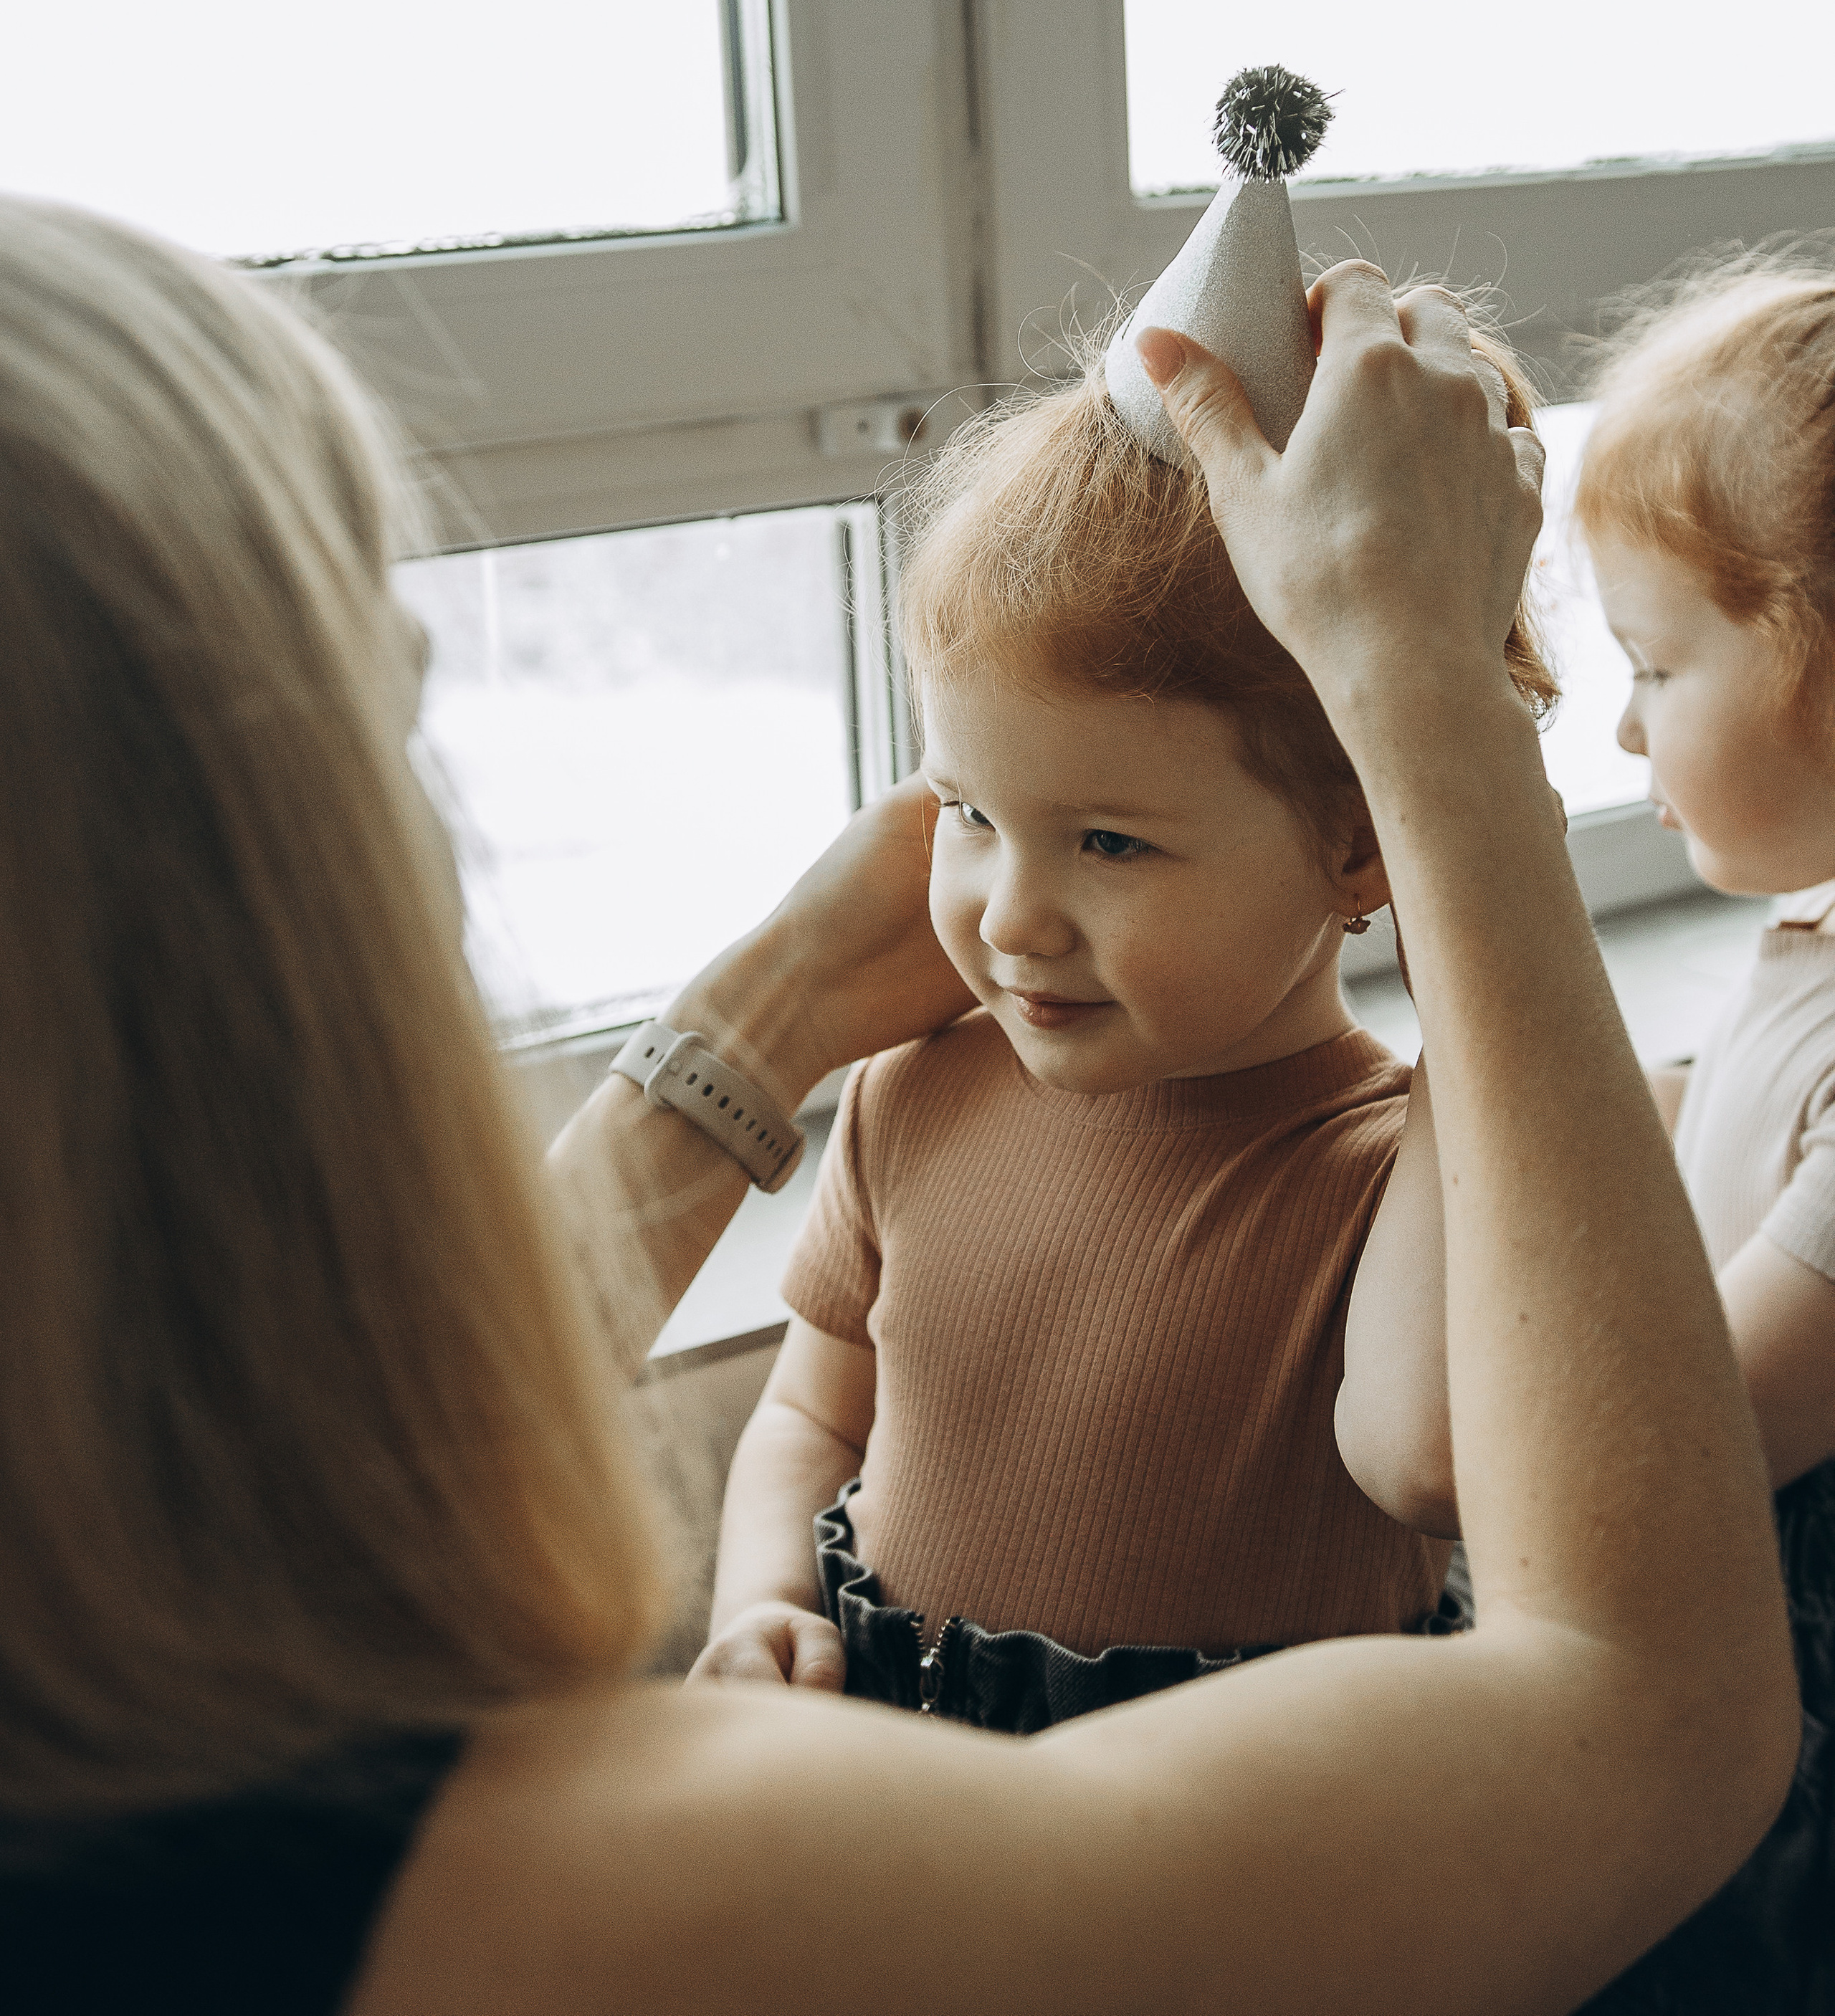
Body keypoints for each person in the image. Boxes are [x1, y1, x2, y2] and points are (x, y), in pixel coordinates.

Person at [0, 198, 1799, 2016]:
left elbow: (1415, 1449)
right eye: (393, 725)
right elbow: (1641, 1714)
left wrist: (765, 1006)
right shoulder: (545, 1876)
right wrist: (1427, 710)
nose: (1008, 906)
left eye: (1104, 837)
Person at [692, 326, 1551, 1724]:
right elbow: (811, 1419)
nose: (1009, 916)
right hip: (897, 1777)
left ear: (1357, 849)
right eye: (967, 813)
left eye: (1105, 842)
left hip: (1229, 1856)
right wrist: (762, 1599)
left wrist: (1449, 799)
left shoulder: (1401, 1174)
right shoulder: (913, 1090)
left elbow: (1443, 1452)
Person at [1336, 262, 1835, 2010]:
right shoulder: (1805, 947)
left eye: (1651, 662)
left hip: (1777, 1820)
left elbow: (1669, 1451)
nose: (1620, 725)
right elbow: (1662, 1155)